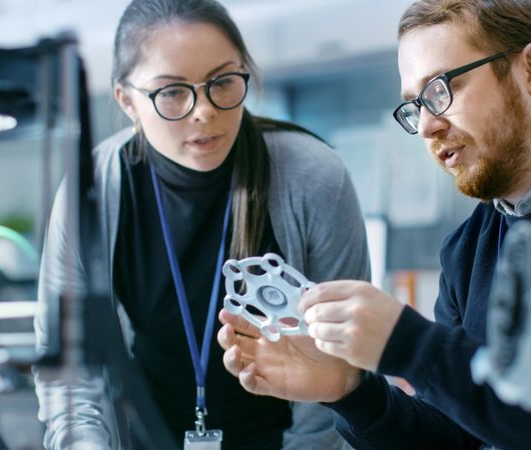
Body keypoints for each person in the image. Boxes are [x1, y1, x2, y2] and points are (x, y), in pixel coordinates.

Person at [218, 0, 531, 448]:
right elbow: (455, 440)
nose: (428, 125)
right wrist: (351, 390)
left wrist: (412, 346)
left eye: (441, 89)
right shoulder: (469, 247)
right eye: (414, 106)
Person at [32, 0, 370, 448]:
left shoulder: (313, 177)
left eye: (223, 82)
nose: (204, 111)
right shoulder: (93, 190)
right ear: (127, 100)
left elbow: (340, 361)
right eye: (172, 91)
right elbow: (69, 366)